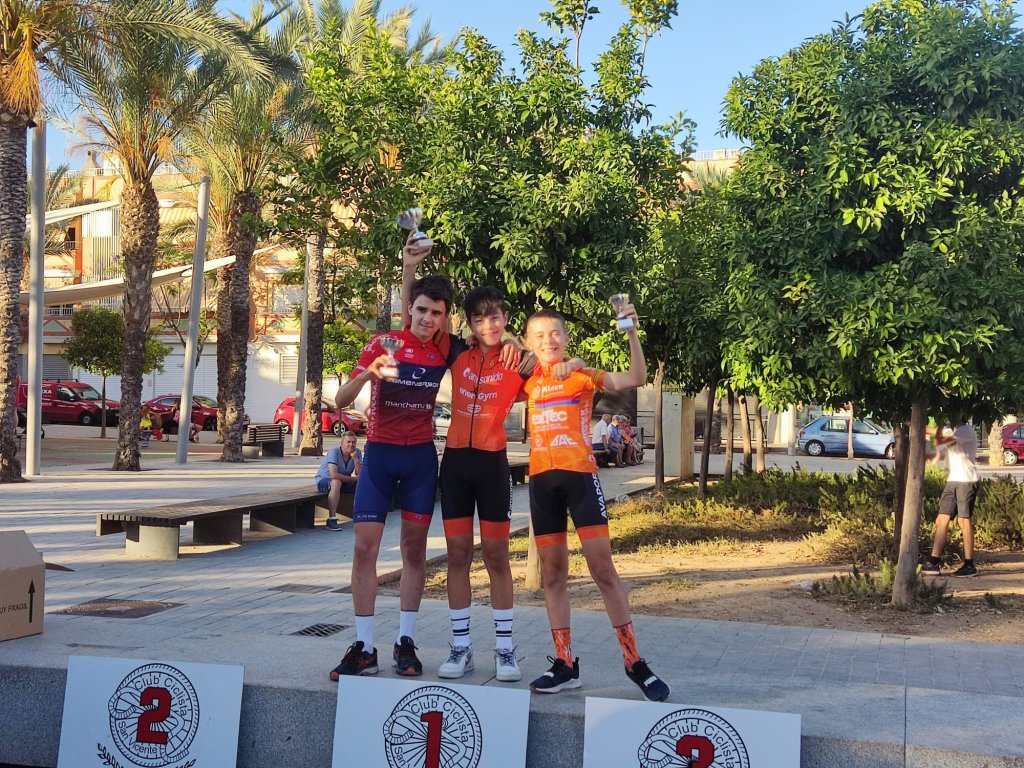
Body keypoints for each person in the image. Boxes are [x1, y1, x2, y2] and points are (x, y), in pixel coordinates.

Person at [328, 234, 495, 681]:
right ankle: (364, 647)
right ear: (411, 309)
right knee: (364, 548)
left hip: (421, 459)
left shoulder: (444, 348)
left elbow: (490, 345)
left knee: (414, 552)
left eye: (436, 313)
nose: (426, 318)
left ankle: (405, 641)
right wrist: (368, 373)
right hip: (380, 457)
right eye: (421, 310)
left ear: (445, 317)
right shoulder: (384, 343)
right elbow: (341, 401)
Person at [399, 245, 549, 683]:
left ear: (506, 319)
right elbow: (414, 313)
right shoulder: (456, 352)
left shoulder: (517, 361)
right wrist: (409, 268)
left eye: (496, 318)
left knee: (498, 557)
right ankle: (461, 647)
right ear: (468, 324)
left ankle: (504, 650)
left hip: (493, 467)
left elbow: (556, 369)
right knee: (459, 556)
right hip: (456, 467)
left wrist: (535, 354)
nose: (489, 326)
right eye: (480, 320)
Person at [523, 303, 671, 702]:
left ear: (566, 337)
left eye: (555, 333)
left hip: (581, 480)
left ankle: (634, 662)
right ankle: (565, 663)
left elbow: (636, 377)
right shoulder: (526, 380)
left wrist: (631, 331)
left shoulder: (582, 375)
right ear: (528, 343)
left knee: (603, 569)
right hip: (541, 484)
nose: (548, 341)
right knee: (553, 575)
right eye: (539, 336)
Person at [923, 420, 979, 577]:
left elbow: (940, 434)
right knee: (941, 519)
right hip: (953, 480)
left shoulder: (965, 430)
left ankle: (969, 564)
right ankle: (934, 562)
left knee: (964, 521)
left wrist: (917, 425)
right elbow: (938, 453)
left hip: (966, 480)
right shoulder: (953, 431)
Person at [315, 431, 361, 531]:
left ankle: (361, 514)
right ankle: (332, 519)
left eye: (353, 442)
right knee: (336, 482)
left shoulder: (357, 452)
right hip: (325, 480)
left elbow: (359, 474)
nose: (351, 445)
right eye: (348, 442)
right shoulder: (334, 452)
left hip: (343, 481)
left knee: (363, 484)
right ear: (342, 443)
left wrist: (356, 459)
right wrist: (354, 479)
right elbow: (334, 475)